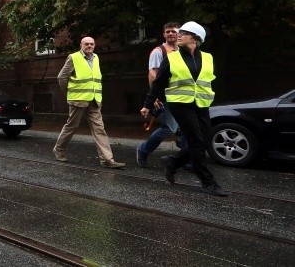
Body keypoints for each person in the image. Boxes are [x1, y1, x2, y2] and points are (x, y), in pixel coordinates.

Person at [141, 21, 228, 197]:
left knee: (203, 139)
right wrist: (147, 104)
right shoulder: (172, 58)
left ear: (195, 38)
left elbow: (207, 81)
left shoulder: (208, 58)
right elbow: (158, 84)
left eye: (184, 33)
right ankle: (208, 181)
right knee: (196, 138)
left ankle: (173, 162)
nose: (178, 35)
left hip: (201, 103)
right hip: (180, 104)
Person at [53, 37, 125, 168]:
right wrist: (70, 93)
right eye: (86, 44)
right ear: (81, 45)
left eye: (91, 44)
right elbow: (61, 77)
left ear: (95, 45)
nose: (89, 46)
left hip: (94, 101)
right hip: (78, 100)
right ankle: (59, 150)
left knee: (100, 130)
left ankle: (107, 159)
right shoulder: (73, 57)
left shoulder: (96, 58)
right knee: (72, 127)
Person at [137, 22, 186, 167]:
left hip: (181, 95)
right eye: (168, 32)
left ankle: (186, 159)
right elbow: (153, 74)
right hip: (164, 97)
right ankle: (144, 150)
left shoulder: (182, 51)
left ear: (179, 34)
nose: (170, 34)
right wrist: (155, 97)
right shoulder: (159, 51)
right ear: (164, 34)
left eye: (173, 31)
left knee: (185, 127)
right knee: (170, 128)